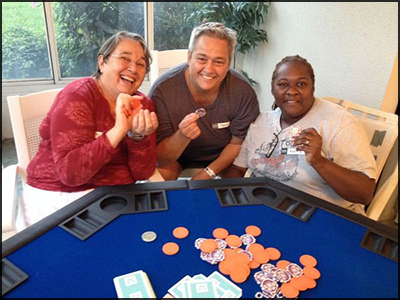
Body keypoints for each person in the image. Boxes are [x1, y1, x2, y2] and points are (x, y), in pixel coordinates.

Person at [24, 31, 158, 227]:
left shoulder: (143, 104)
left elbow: (142, 173)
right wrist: (119, 130)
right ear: (102, 63)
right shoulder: (78, 96)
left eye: (141, 64)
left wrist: (137, 136)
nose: (133, 68)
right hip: (58, 195)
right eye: (125, 58)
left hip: (115, 196)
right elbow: (69, 174)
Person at [226, 55, 377, 214]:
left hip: (322, 216)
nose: (292, 91)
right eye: (283, 84)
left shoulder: (340, 123)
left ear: (312, 88)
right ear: (273, 89)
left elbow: (364, 194)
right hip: (267, 208)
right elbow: (238, 169)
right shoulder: (262, 122)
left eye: (301, 84)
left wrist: (319, 162)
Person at [148, 22, 260, 181]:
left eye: (219, 62)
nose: (209, 69)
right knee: (159, 179)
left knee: (235, 186)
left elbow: (237, 144)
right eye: (202, 59)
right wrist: (182, 135)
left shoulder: (242, 91)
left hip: (223, 154)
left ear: (229, 64)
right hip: (177, 156)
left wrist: (207, 173)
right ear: (189, 57)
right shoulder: (162, 90)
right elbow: (161, 157)